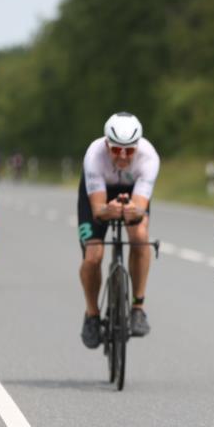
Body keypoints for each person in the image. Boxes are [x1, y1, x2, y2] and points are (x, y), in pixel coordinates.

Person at [77, 112, 160, 348]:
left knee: (140, 237)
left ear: (137, 146)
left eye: (129, 150)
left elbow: (139, 209)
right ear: (107, 144)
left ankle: (138, 307)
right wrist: (107, 210)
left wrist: (130, 211)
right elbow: (97, 210)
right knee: (93, 256)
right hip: (99, 196)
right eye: (116, 150)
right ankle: (92, 315)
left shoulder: (149, 157)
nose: (123, 156)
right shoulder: (94, 155)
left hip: (133, 192)